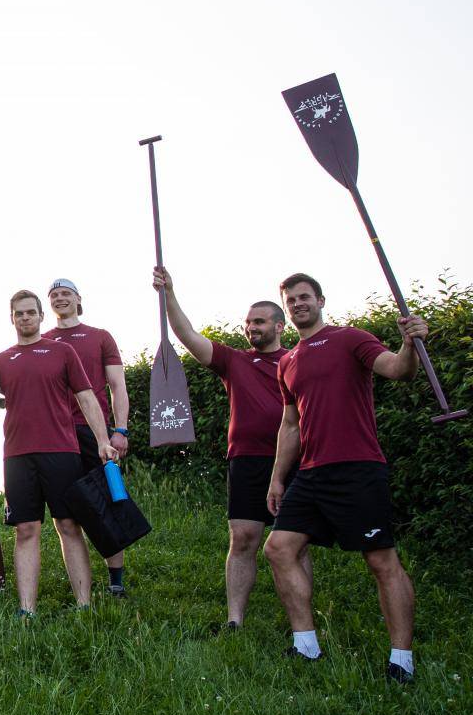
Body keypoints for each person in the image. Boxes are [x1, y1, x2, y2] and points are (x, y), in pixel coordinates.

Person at [263, 273, 427, 683]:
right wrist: (276, 479)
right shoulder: (288, 360)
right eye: (291, 300)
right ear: (286, 309)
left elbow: (396, 369)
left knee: (381, 560)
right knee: (279, 548)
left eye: (305, 297)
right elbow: (290, 424)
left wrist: (409, 344)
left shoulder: (350, 337)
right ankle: (306, 645)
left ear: (320, 300)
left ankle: (401, 660)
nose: (298, 304)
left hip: (357, 467)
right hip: (311, 473)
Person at [153, 266, 311, 630]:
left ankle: (299, 623)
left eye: (259, 322)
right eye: (248, 323)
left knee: (295, 543)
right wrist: (169, 293)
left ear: (278, 326)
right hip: (246, 461)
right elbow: (186, 334)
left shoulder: (298, 359)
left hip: (293, 460)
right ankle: (234, 620)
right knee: (243, 537)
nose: (252, 328)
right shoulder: (235, 361)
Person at [0, 290, 116, 615]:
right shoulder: (2, 360)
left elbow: (87, 399)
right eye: (19, 313)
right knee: (25, 529)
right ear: (12, 318)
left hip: (61, 451)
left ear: (40, 316)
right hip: (18, 456)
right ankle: (27, 609)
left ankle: (84, 604)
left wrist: (103, 439)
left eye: (30, 313)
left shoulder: (62, 351)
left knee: (67, 525)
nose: (25, 318)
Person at [43, 279, 132, 597]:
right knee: (66, 510)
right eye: (54, 295)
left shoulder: (100, 337)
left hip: (95, 434)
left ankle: (116, 580)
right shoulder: (43, 341)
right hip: (56, 437)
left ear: (79, 299)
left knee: (107, 505)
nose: (60, 298)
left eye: (66, 293)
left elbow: (117, 385)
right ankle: (81, 585)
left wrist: (119, 430)